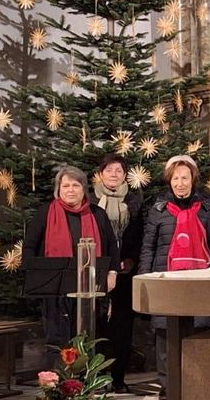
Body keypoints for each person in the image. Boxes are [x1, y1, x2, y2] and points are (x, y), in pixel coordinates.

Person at [138, 155, 210, 391]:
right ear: (169, 180)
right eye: (176, 178)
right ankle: (169, 388)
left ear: (193, 179)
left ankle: (199, 387)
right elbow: (148, 247)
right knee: (166, 335)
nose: (180, 183)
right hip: (167, 281)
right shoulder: (158, 209)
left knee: (199, 333)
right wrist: (145, 278)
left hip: (200, 281)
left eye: (185, 178)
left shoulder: (206, 209)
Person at [24, 166, 118, 349]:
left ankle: (86, 369)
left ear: (83, 189)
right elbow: (29, 247)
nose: (70, 190)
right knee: (57, 343)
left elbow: (112, 246)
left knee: (88, 341)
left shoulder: (98, 214)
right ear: (58, 189)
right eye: (65, 186)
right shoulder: (45, 212)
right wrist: (34, 276)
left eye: (76, 185)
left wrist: (112, 273)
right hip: (54, 291)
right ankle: (58, 369)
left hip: (90, 289)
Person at [88, 155, 145, 394]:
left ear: (125, 175)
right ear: (100, 174)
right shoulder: (90, 200)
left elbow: (140, 235)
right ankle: (97, 377)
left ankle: (119, 378)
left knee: (122, 327)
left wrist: (130, 259)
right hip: (96, 270)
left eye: (119, 171)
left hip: (125, 271)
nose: (114, 174)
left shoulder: (134, 201)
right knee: (98, 325)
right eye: (109, 170)